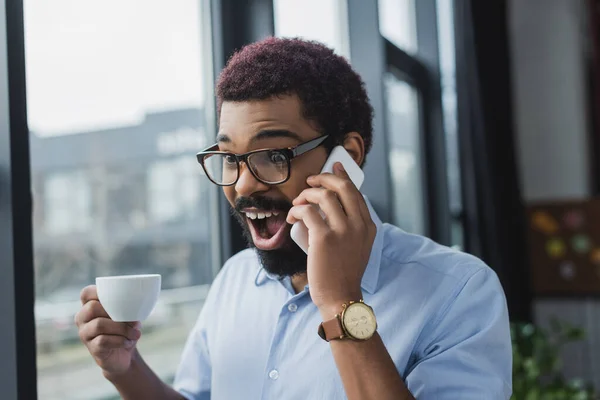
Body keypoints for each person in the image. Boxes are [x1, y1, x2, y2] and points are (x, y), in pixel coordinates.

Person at [75, 37, 512, 399]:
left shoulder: (459, 291)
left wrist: (341, 303)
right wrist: (124, 369)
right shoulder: (236, 279)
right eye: (229, 157)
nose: (243, 185)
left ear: (347, 158)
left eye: (273, 155)